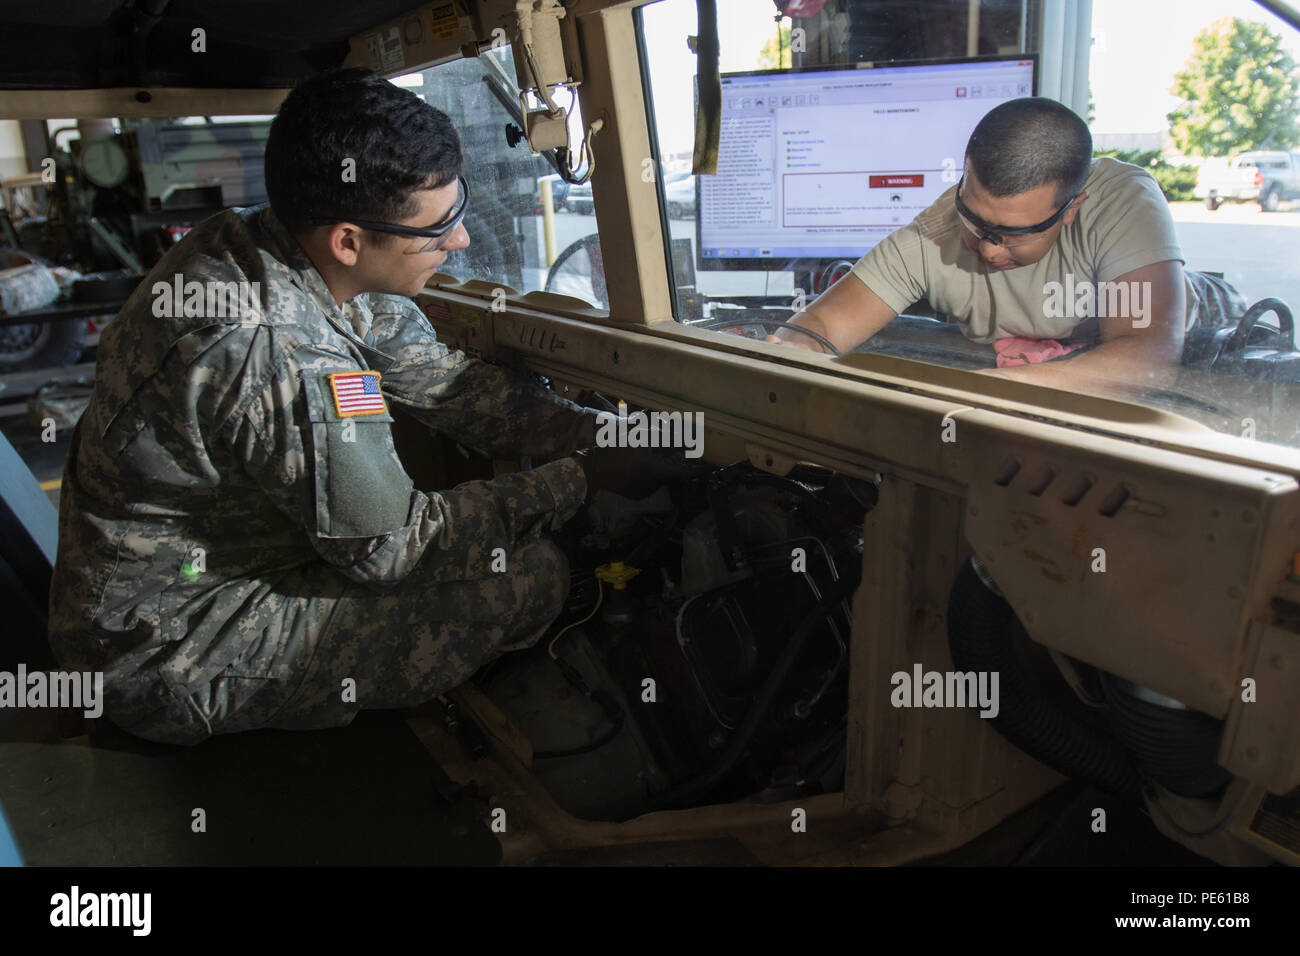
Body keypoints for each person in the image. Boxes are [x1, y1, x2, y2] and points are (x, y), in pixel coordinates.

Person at [47, 67, 628, 745]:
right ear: (350, 239)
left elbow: (440, 380)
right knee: (527, 577)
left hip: (180, 578)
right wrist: (582, 482)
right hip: (164, 643)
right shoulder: (277, 353)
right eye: (437, 229)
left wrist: (600, 430)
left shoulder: (259, 244)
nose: (461, 241)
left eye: (459, 208)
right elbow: (395, 550)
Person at [770, 97, 1245, 389]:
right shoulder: (935, 229)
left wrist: (980, 392)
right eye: (976, 221)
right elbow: (821, 327)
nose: (990, 249)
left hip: (1209, 335)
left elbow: (1148, 356)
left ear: (1072, 208)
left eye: (1015, 235)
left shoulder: (1121, 199)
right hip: (1036, 363)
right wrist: (773, 355)